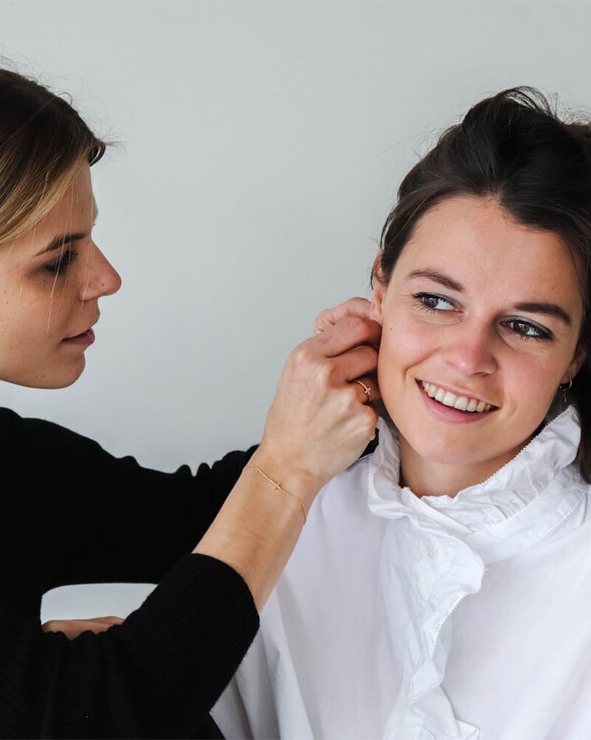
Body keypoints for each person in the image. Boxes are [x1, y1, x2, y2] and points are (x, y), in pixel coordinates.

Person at [0, 50, 380, 738]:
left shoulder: (4, 462)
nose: (106, 278)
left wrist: (380, 380)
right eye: (58, 259)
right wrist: (287, 473)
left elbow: (195, 513)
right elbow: (93, 722)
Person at [211, 88, 591, 740]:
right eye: (437, 302)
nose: (469, 357)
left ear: (577, 355)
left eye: (526, 326)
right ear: (380, 290)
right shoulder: (282, 525)